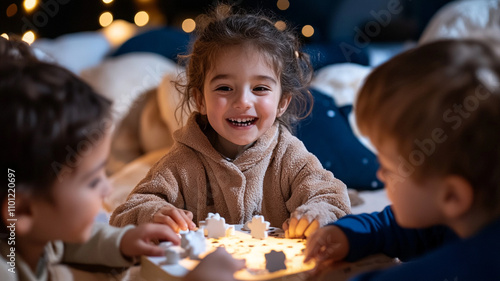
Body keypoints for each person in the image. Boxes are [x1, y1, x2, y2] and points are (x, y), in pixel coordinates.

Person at [0, 37, 244, 281]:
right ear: (21, 210)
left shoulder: (37, 232)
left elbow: (65, 242)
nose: (107, 187)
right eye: (93, 181)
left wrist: (123, 242)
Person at [110, 5, 350, 238]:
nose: (243, 101)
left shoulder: (289, 156)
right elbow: (125, 214)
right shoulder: (181, 163)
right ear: (200, 99)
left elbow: (332, 199)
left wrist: (316, 214)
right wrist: (155, 213)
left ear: (282, 103)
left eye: (260, 88)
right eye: (225, 88)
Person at [304, 38, 500, 280]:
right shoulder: (458, 216)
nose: (379, 174)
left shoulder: (474, 265)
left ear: (452, 195)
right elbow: (394, 228)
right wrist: (346, 233)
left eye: (387, 166)